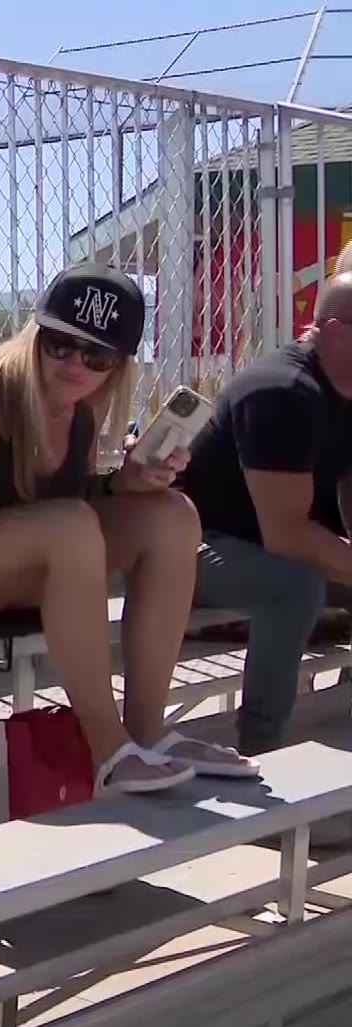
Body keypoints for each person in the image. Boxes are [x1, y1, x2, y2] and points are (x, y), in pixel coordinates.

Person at [0, 263, 255, 804]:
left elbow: (62, 507)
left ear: (118, 366)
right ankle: (109, 749)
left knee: (172, 515)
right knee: (72, 528)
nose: (74, 363)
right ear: (36, 335)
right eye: (60, 344)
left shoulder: (82, 413)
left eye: (96, 356)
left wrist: (125, 484)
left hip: (3, 552)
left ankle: (146, 732)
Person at [176, 272, 352, 763]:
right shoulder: (286, 391)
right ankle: (263, 751)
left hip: (257, 547)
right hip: (190, 545)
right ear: (334, 331)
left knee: (303, 578)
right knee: (294, 586)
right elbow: (287, 535)